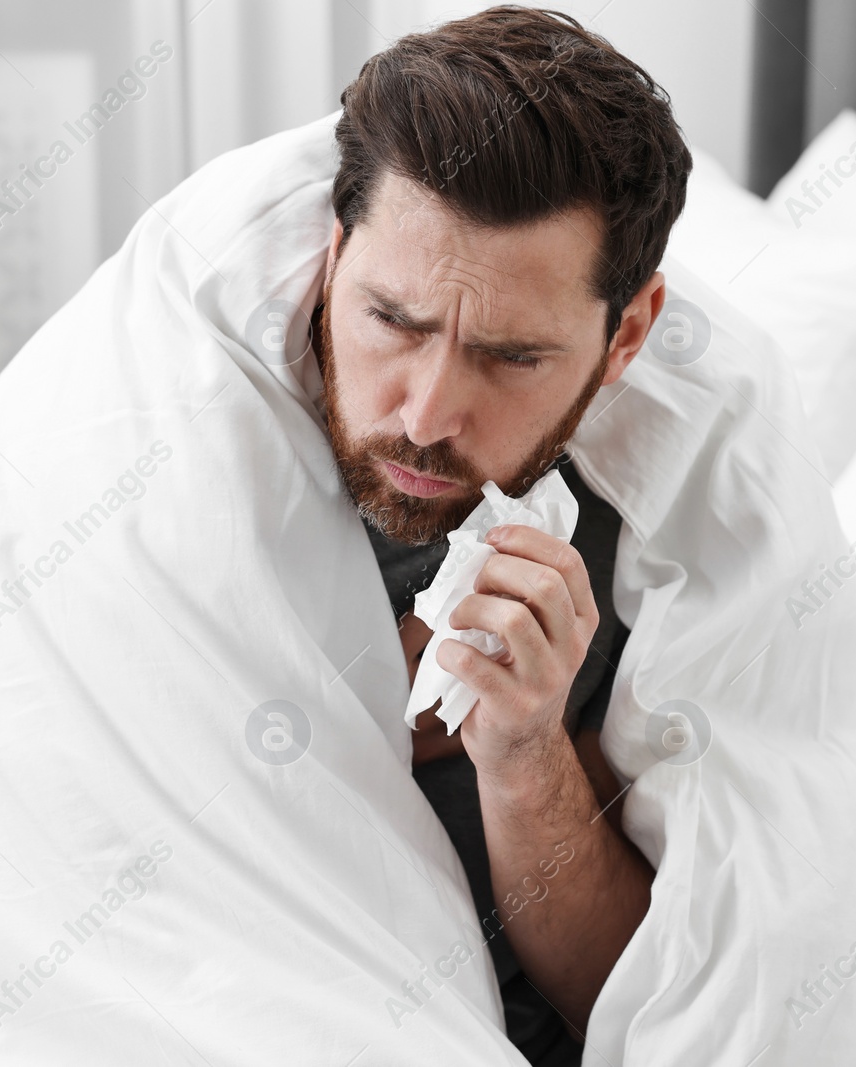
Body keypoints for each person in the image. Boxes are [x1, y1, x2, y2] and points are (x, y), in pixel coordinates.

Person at [303, 7, 693, 1061]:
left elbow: (641, 1010)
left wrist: (524, 750)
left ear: (628, 334)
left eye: (513, 357)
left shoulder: (660, 550)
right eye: (392, 319)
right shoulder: (206, 418)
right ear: (335, 258)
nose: (426, 415)